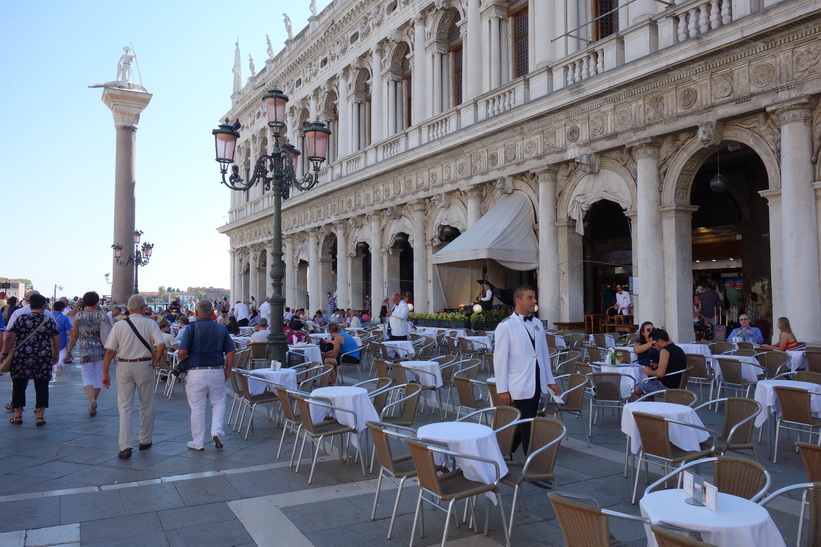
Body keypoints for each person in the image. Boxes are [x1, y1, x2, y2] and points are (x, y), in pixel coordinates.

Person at [494, 285, 561, 455]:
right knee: (527, 421)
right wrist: (502, 389)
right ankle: (532, 462)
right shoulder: (506, 326)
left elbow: (543, 354)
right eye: (530, 298)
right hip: (518, 382)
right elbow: (500, 360)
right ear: (519, 300)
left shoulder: (537, 323)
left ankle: (503, 451)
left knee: (525, 420)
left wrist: (550, 381)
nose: (534, 301)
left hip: (537, 381)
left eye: (534, 298)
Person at [102, 295, 166, 459]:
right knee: (146, 404)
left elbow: (110, 351)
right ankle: (145, 439)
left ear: (128, 309)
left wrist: (105, 372)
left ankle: (125, 446)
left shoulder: (119, 325)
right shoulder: (150, 323)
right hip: (144, 364)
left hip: (124, 365)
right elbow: (161, 345)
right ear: (143, 308)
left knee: (124, 406)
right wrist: (155, 361)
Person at [177, 300, 235, 451]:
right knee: (219, 402)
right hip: (216, 369)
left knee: (197, 407)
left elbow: (182, 352)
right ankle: (216, 431)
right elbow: (230, 351)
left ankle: (198, 441)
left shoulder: (191, 329)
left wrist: (186, 360)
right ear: (212, 313)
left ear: (196, 313)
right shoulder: (221, 328)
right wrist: (228, 370)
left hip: (196, 371)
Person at [2, 294, 59, 426]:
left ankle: (18, 416)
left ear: (30, 305)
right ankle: (40, 416)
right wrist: (55, 355)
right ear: (44, 307)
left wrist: (5, 353)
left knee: (19, 385)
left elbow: (10, 337)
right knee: (42, 385)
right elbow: (56, 339)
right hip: (43, 356)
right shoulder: (48, 320)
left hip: (22, 356)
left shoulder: (21, 318)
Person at [65, 292, 110, 416]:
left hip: (85, 349)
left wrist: (68, 351)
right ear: (97, 302)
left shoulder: (78, 315)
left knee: (86, 376)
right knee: (97, 376)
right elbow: (109, 331)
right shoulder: (102, 314)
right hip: (101, 349)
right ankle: (94, 400)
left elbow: (74, 335)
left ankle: (91, 400)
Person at [634, 328, 686, 397]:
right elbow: (674, 364)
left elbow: (660, 374)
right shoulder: (678, 349)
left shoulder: (664, 351)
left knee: (635, 390)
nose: (653, 347)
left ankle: (639, 407)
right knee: (648, 388)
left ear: (660, 341)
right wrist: (658, 365)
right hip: (678, 385)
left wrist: (649, 372)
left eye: (653, 344)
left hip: (666, 387)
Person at [51, 301, 73, 374]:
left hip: (51, 337)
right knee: (63, 352)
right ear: (62, 309)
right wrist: (72, 336)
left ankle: (55, 368)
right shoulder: (64, 317)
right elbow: (68, 329)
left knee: (54, 353)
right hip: (62, 337)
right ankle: (60, 364)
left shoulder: (50, 316)